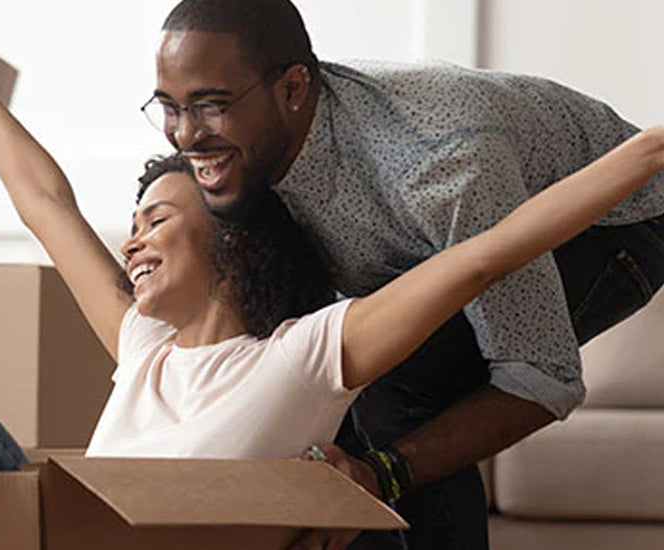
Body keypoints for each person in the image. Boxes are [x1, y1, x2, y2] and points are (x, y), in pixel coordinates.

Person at [0, 2, 663, 549]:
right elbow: (43, 201)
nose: (130, 240)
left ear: (230, 240)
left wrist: (640, 153)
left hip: (101, 540)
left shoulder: (306, 355)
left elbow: (485, 255)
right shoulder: (142, 343)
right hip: (55, 529)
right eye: (132, 219)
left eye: (156, 220)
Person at [146, 0, 664, 548]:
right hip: (450, 231)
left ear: (295, 89)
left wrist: (382, 473)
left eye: (210, 106)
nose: (183, 135)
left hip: (619, 224)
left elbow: (541, 376)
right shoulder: (252, 149)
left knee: (397, 389)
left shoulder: (440, 167)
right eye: (168, 108)